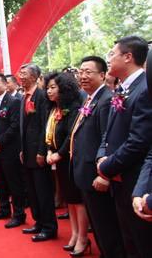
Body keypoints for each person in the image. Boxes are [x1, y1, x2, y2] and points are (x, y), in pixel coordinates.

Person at [96, 36, 152, 257]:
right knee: (128, 239)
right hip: (118, 178)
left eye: (112, 54)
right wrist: (102, 156)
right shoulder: (122, 88)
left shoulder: (145, 89)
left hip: (135, 179)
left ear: (128, 57)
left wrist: (107, 166)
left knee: (142, 242)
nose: (108, 59)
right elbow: (107, 132)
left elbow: (139, 141)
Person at [71, 56, 125, 258]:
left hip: (97, 175)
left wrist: (104, 175)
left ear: (102, 75)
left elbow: (108, 139)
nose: (82, 76)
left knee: (108, 227)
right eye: (80, 72)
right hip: (85, 174)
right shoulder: (90, 97)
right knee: (100, 227)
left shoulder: (106, 100)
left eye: (88, 72)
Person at [43, 72, 88, 255]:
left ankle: (83, 237)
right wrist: (48, 151)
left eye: (53, 87)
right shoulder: (54, 109)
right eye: (48, 87)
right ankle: (75, 233)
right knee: (69, 200)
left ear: (64, 89)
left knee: (77, 200)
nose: (49, 91)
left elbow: (71, 135)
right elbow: (49, 134)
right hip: (57, 159)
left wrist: (59, 154)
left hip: (70, 159)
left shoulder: (74, 107)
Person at [18, 63, 58, 242]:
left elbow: (45, 126)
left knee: (43, 191)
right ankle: (39, 222)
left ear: (34, 76)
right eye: (20, 73)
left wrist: (42, 150)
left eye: (24, 73)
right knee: (32, 191)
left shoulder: (41, 96)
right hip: (26, 152)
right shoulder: (24, 96)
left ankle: (49, 227)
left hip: (38, 153)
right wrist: (22, 149)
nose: (21, 76)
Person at [0, 73, 26, 229]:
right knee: (0, 181)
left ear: (5, 84)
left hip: (9, 149)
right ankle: (3, 209)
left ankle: (19, 214)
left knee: (13, 182)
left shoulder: (14, 102)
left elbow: (15, 126)